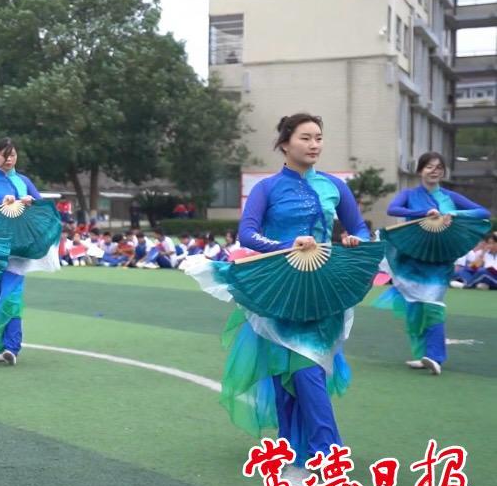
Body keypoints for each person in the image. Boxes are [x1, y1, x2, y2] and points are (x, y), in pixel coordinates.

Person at [201, 113, 370, 467]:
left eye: (318, 138)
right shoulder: (267, 188)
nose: (314, 145)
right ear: (285, 143)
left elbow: (359, 228)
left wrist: (356, 239)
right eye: (305, 138)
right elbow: (248, 234)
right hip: (279, 287)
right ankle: (302, 444)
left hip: (322, 287)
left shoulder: (335, 186)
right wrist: (285, 245)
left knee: (309, 365)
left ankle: (321, 448)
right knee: (284, 367)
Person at [376, 151, 491, 374]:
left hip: (439, 258)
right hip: (410, 257)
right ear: (420, 170)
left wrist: (454, 214)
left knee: (433, 304)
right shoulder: (409, 194)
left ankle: (435, 356)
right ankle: (423, 355)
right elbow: (393, 209)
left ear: (443, 172)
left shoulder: (449, 196)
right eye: (429, 166)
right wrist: (423, 212)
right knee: (414, 308)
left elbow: (482, 212)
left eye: (439, 167)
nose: (434, 171)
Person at [0, 138, 56, 365]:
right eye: (4, 155)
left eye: (13, 155)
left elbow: (43, 207)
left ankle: (11, 347)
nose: (9, 159)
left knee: (11, 296)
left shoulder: (24, 181)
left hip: (18, 249)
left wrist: (31, 202)